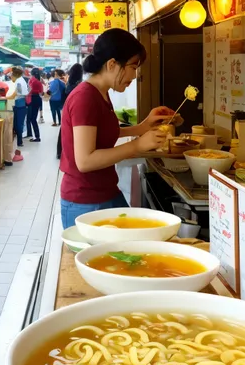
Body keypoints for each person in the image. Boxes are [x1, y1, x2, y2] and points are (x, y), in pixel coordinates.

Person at [60, 28, 174, 229]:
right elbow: (85, 161)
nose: (136, 74)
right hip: (85, 202)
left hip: (106, 192)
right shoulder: (85, 97)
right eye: (133, 66)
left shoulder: (101, 93)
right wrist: (137, 146)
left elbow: (101, 133)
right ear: (112, 64)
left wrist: (143, 126)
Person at [57, 63, 83, 160]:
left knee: (64, 130)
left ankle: (60, 151)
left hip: (66, 109)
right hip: (74, 110)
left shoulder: (69, 83)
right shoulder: (78, 85)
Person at [11, 67, 27, 148]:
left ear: (15, 75)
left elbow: (18, 92)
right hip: (20, 104)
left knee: (18, 124)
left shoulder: (19, 81)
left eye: (11, 75)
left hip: (20, 104)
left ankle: (19, 141)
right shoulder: (21, 80)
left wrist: (9, 97)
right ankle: (19, 141)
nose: (11, 77)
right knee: (18, 124)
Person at [27, 68, 43, 143]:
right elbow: (41, 91)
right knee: (33, 118)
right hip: (37, 99)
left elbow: (29, 90)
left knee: (32, 119)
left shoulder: (32, 80)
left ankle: (37, 136)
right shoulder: (39, 81)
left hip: (32, 99)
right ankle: (36, 135)